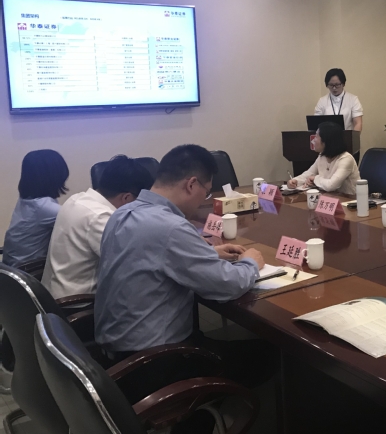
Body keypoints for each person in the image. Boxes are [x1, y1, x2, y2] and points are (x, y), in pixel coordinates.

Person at [94, 144, 270, 371]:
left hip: (115, 352)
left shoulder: (121, 213)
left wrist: (208, 253)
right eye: (206, 192)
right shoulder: (170, 227)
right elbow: (227, 285)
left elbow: (152, 257)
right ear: (191, 184)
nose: (204, 199)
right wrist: (251, 263)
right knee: (268, 354)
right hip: (155, 361)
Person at [42, 155, 154, 299]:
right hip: (78, 303)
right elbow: (131, 264)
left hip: (53, 292)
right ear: (126, 197)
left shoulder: (76, 199)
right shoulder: (101, 217)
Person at [2, 150, 69, 268]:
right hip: (29, 271)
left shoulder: (26, 200)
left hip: (10, 269)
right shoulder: (46, 208)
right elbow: (79, 221)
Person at [288, 121, 361, 195]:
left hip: (349, 199)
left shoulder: (346, 159)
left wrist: (315, 178)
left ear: (326, 141)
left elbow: (331, 186)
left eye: (316, 136)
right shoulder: (322, 156)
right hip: (331, 197)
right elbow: (309, 173)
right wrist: (295, 181)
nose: (313, 140)